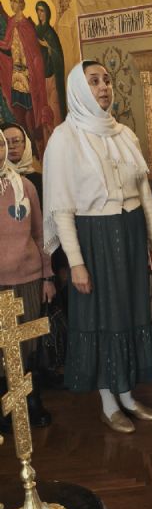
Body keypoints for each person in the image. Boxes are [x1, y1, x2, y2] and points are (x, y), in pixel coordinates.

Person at [43, 61, 152, 434]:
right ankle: (108, 403)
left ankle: (127, 394)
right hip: (94, 239)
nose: (104, 87)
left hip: (131, 233)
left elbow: (144, 193)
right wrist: (76, 263)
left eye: (107, 80)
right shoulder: (65, 138)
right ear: (79, 89)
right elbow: (62, 209)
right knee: (103, 317)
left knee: (129, 313)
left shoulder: (124, 134)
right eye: (94, 81)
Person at [0, 128, 54, 430]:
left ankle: (32, 401)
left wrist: (47, 276)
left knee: (28, 343)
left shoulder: (25, 186)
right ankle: (7, 406)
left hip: (28, 278)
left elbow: (39, 234)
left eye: (2, 145)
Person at [0, 0, 53, 157]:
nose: (12, 4)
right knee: (18, 111)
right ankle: (25, 144)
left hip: (28, 76)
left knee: (31, 112)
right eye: (10, 1)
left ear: (22, 4)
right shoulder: (11, 22)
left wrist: (34, 72)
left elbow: (34, 53)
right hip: (16, 75)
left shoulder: (27, 25)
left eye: (15, 1)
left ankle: (35, 147)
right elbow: (6, 44)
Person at [35, 0, 67, 123]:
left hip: (51, 72)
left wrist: (46, 45)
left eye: (42, 10)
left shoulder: (50, 32)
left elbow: (56, 52)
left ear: (47, 13)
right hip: (40, 71)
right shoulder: (36, 29)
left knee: (53, 101)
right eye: (38, 10)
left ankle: (57, 124)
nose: (39, 13)